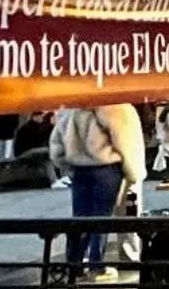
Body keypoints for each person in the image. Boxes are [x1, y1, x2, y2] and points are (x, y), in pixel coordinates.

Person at [48, 104, 145, 280]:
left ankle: (75, 265)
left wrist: (68, 166)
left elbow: (56, 146)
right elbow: (126, 143)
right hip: (108, 169)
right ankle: (96, 265)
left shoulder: (72, 109)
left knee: (81, 218)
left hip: (80, 170)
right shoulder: (117, 107)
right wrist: (134, 173)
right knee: (102, 219)